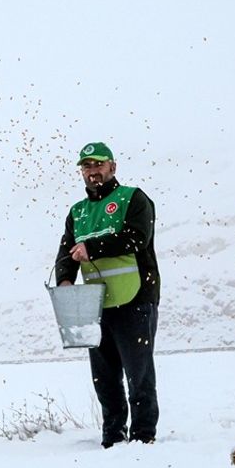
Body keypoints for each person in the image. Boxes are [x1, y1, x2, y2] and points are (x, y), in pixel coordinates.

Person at [55, 142, 161, 448]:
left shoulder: (133, 198)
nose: (93, 171)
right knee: (104, 377)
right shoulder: (78, 212)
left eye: (98, 164)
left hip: (135, 298)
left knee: (139, 374)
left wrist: (93, 247)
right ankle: (112, 437)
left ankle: (143, 436)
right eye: (86, 166)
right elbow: (66, 251)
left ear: (112, 166)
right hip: (95, 304)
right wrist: (65, 280)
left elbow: (137, 237)